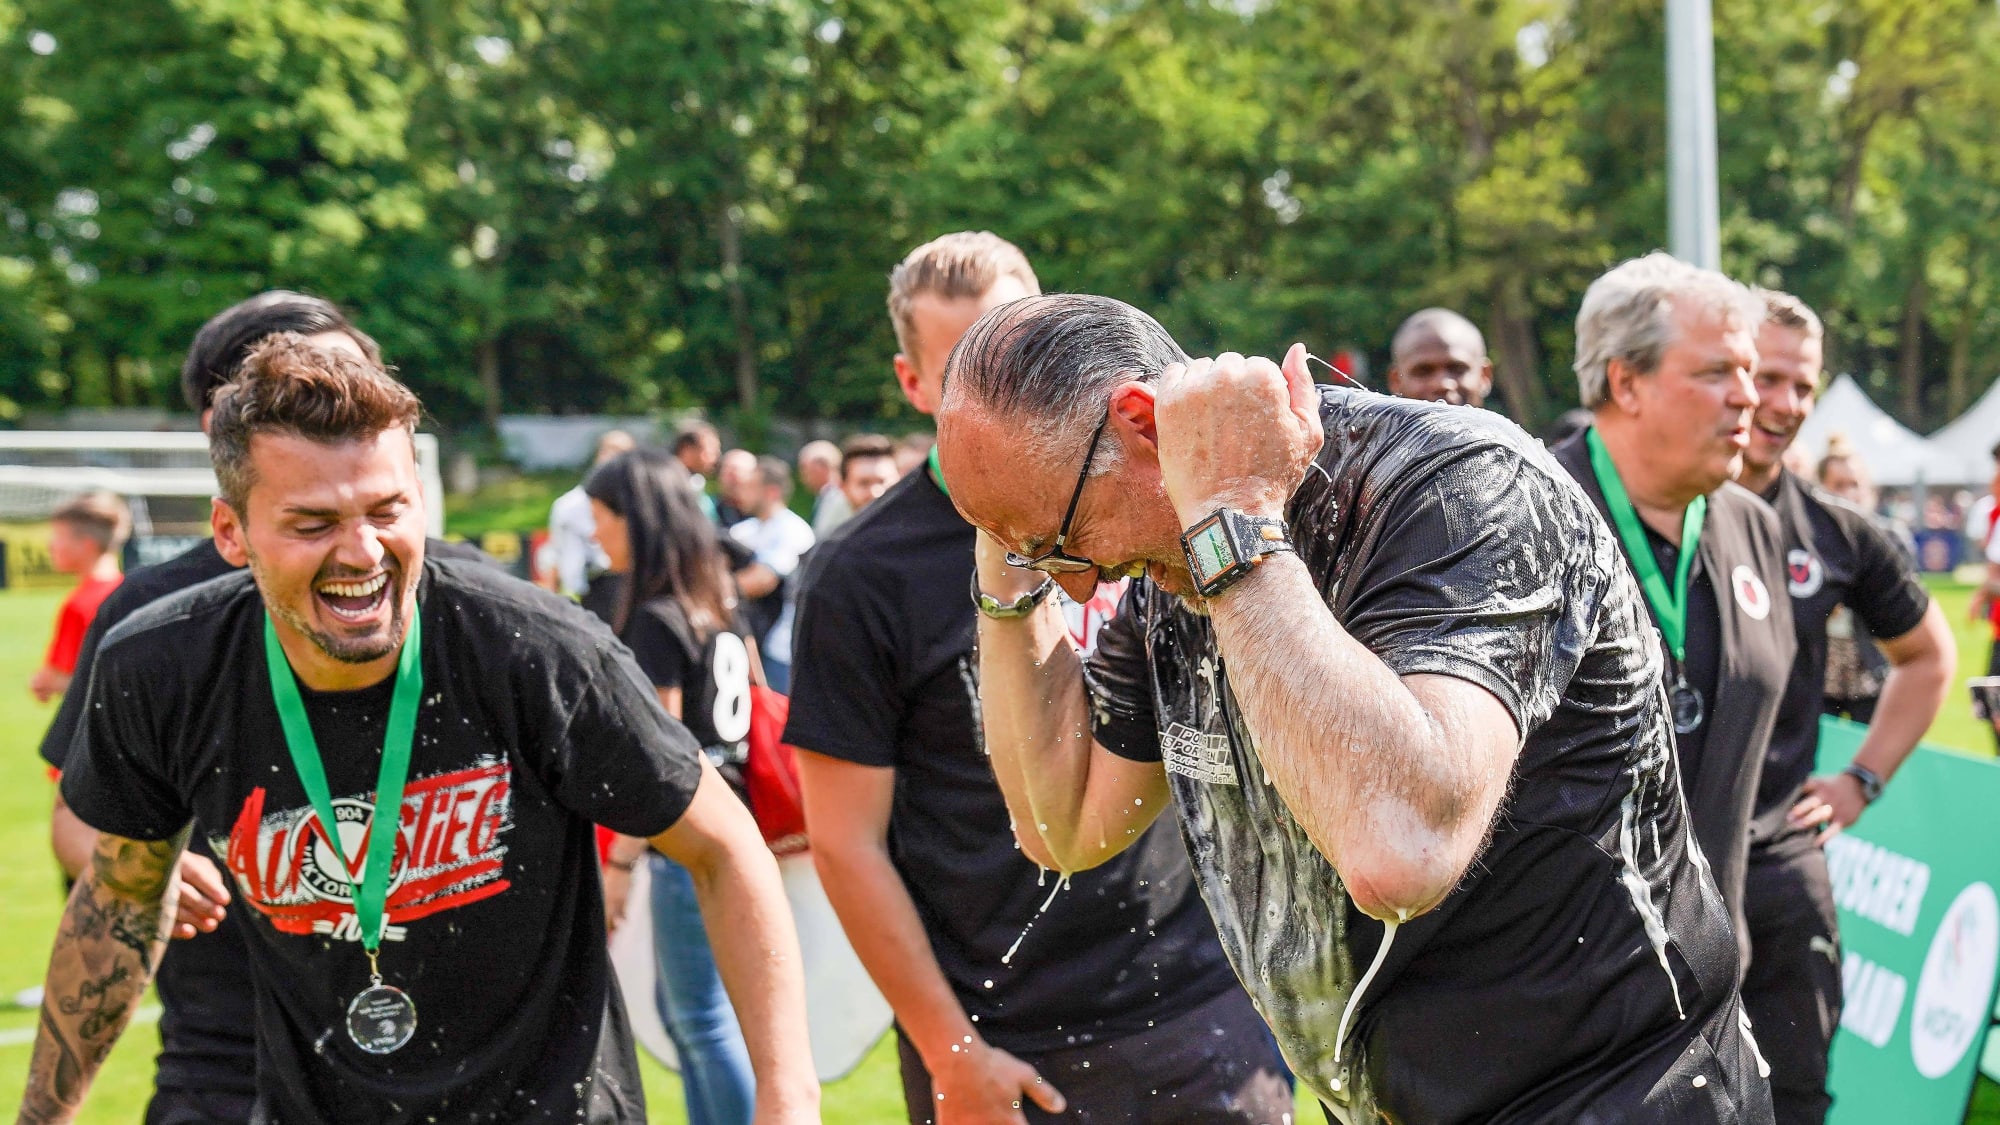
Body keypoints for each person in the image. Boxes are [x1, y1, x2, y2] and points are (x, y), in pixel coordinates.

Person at [936, 292, 1771, 1122]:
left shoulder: (1454, 485)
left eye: (1062, 539)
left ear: (1142, 423)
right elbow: (1066, 824)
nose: (1077, 582)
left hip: (1622, 1093)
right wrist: (1007, 559)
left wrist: (1235, 525)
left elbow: (1402, 850)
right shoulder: (1176, 560)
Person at [22, 335, 818, 1125]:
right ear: (230, 533)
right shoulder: (162, 666)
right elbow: (120, 902)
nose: (362, 552)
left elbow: (723, 845)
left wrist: (788, 1102)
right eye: (313, 522)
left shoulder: (534, 650)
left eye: (387, 510)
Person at [788, 233, 1289, 1125]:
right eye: (964, 371)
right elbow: (845, 842)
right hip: (1013, 1037)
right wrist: (953, 1051)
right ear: (913, 387)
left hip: (1201, 1001)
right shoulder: (862, 574)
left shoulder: (1152, 492)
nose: (1006, 384)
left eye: (1022, 343)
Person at [32, 289, 503, 1125]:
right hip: (227, 1056)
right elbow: (75, 814)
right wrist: (148, 861)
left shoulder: (475, 599)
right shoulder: (147, 621)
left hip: (447, 1061)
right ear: (227, 420)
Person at [1733, 290, 1953, 1125]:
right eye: (1766, 376)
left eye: (1803, 385)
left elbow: (1930, 656)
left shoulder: (1834, 531)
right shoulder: (1642, 512)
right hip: (1646, 869)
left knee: (1792, 1096)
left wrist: (1862, 777)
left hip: (1779, 866)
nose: (1785, 404)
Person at [1549, 254, 1794, 953]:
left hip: (1715, 972)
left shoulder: (1754, 525)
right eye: (1717, 372)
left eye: (1748, 371)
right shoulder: (1523, 514)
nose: (1750, 397)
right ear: (1626, 381)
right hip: (1561, 994)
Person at [585, 449, 763, 1125]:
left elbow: (653, 756)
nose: (597, 532)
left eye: (604, 517)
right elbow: (758, 697)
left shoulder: (656, 618)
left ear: (638, 520)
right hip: (732, 822)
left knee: (700, 1018)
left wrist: (622, 861)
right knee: (692, 1014)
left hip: (687, 839)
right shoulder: (715, 601)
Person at [31, 491, 130, 703]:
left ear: (87, 544)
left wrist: (46, 683)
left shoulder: (80, 605)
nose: (51, 546)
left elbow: (76, 679)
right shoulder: (133, 593)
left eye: (58, 537)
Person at [726, 456, 814, 694]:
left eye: (750, 486)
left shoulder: (793, 531)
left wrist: (711, 590)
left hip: (780, 648)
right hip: (747, 639)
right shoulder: (744, 530)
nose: (741, 490)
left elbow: (761, 581)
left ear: (772, 491)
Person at [545, 429, 636, 597]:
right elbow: (555, 551)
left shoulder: (641, 501)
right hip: (588, 587)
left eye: (622, 453)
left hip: (629, 582)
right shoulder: (570, 505)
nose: (595, 534)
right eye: (608, 450)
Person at [1383, 307, 1492, 408]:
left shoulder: (1507, 428)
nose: (1442, 385)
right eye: (1423, 371)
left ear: (1484, 375)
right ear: (1396, 381)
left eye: (1457, 369)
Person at [812, 433, 899, 537]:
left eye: (882, 481)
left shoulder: (920, 540)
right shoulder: (832, 548)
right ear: (843, 487)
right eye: (864, 483)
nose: (875, 493)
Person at [716, 449, 759, 528]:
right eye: (725, 471)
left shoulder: (764, 515)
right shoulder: (708, 509)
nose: (729, 480)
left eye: (735, 472)